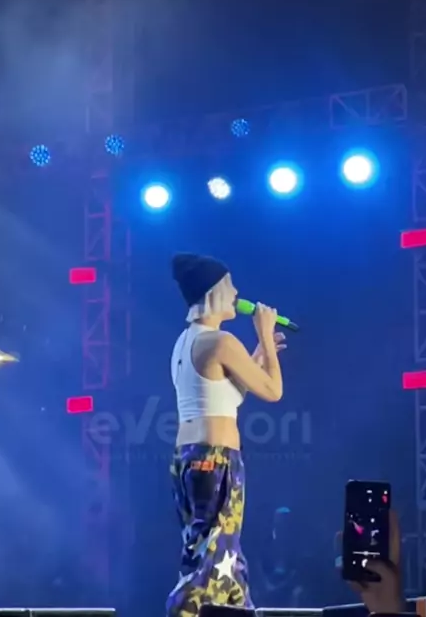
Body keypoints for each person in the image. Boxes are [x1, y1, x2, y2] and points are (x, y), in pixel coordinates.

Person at [166, 252, 286, 617]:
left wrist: (255, 356)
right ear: (214, 292)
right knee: (212, 560)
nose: (236, 293)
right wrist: (265, 337)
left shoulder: (185, 342)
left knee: (222, 558)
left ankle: (238, 610)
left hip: (189, 458)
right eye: (229, 285)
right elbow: (273, 391)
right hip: (216, 459)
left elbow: (226, 395)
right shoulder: (221, 341)